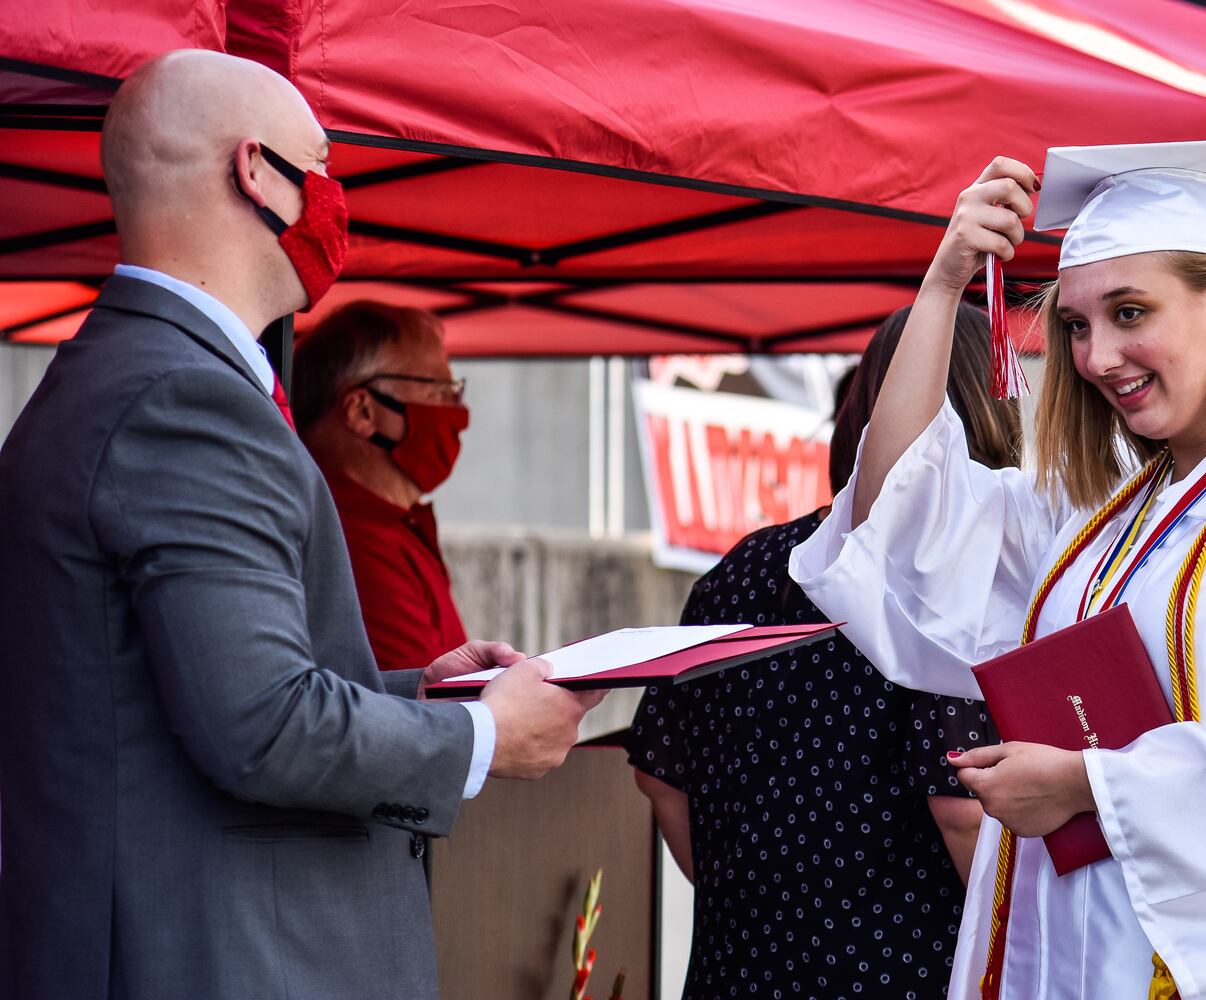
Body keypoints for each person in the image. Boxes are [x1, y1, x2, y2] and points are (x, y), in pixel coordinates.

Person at [0, 50, 602, 1000]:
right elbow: (263, 724)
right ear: (255, 172)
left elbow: (179, 693)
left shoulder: (122, 375)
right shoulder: (187, 397)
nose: (333, 199)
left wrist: (418, 695)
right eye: (319, 166)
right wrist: (484, 738)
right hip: (222, 957)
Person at [789, 139, 1206, 1000]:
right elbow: (893, 520)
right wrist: (943, 284)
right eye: (1077, 325)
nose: (1095, 358)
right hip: (1057, 960)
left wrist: (1087, 784)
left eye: (1130, 312)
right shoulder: (1100, 512)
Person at [628, 302, 1022, 999]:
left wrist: (762, 901)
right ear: (990, 419)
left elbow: (661, 771)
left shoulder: (742, 566)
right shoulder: (950, 583)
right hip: (903, 972)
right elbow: (963, 807)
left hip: (734, 972)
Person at [293, 301, 470, 670]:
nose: (458, 414)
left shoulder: (395, 526)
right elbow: (413, 714)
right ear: (363, 412)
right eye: (439, 393)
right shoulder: (347, 539)